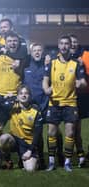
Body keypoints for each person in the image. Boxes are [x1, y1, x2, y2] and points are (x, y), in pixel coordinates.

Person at [43, 35, 87, 172]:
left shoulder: (76, 63)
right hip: (54, 102)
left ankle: (67, 162)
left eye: (66, 44)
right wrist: (46, 88)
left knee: (70, 133)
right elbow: (45, 80)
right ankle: (51, 161)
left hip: (70, 103)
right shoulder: (52, 63)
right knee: (51, 133)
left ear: (70, 46)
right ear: (58, 45)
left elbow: (84, 81)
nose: (64, 46)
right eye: (61, 43)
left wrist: (80, 83)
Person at [0, 31, 28, 168]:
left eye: (15, 41)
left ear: (18, 43)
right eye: (10, 41)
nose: (12, 43)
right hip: (0, 96)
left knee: (19, 129)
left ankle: (20, 155)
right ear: (5, 42)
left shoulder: (23, 58)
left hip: (15, 97)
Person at [0, 85, 43, 172]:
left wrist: (30, 150)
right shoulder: (12, 107)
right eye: (21, 93)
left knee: (30, 169)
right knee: (4, 138)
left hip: (28, 143)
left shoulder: (36, 110)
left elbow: (38, 133)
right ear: (17, 96)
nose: (23, 95)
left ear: (30, 96)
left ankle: (35, 160)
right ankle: (8, 161)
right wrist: (5, 98)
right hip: (15, 140)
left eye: (26, 93)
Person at [23, 43, 50, 169]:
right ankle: (39, 157)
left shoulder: (48, 66)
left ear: (43, 52)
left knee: (53, 132)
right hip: (32, 107)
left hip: (46, 105)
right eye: (35, 51)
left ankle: (57, 155)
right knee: (35, 134)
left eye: (40, 50)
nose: (37, 52)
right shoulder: (26, 67)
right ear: (31, 52)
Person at [69, 34, 88, 167]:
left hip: (87, 94)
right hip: (75, 97)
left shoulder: (86, 54)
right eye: (71, 42)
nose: (73, 44)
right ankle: (80, 153)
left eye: (75, 42)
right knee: (76, 128)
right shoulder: (63, 57)